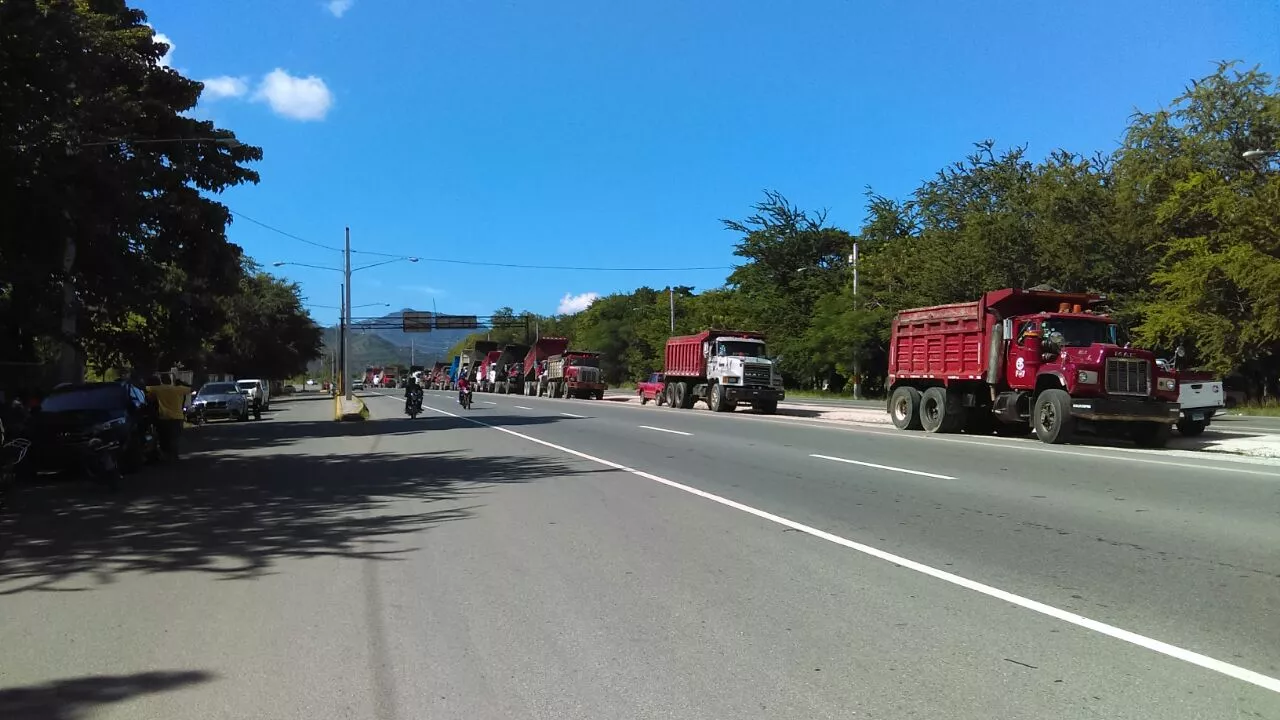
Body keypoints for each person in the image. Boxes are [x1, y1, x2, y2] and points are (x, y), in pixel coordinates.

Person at [145, 375, 188, 460]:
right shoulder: (176, 390)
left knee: (162, 435)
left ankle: (164, 452)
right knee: (173, 436)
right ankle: (171, 453)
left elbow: (149, 401)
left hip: (162, 417)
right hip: (174, 416)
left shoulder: (156, 391)